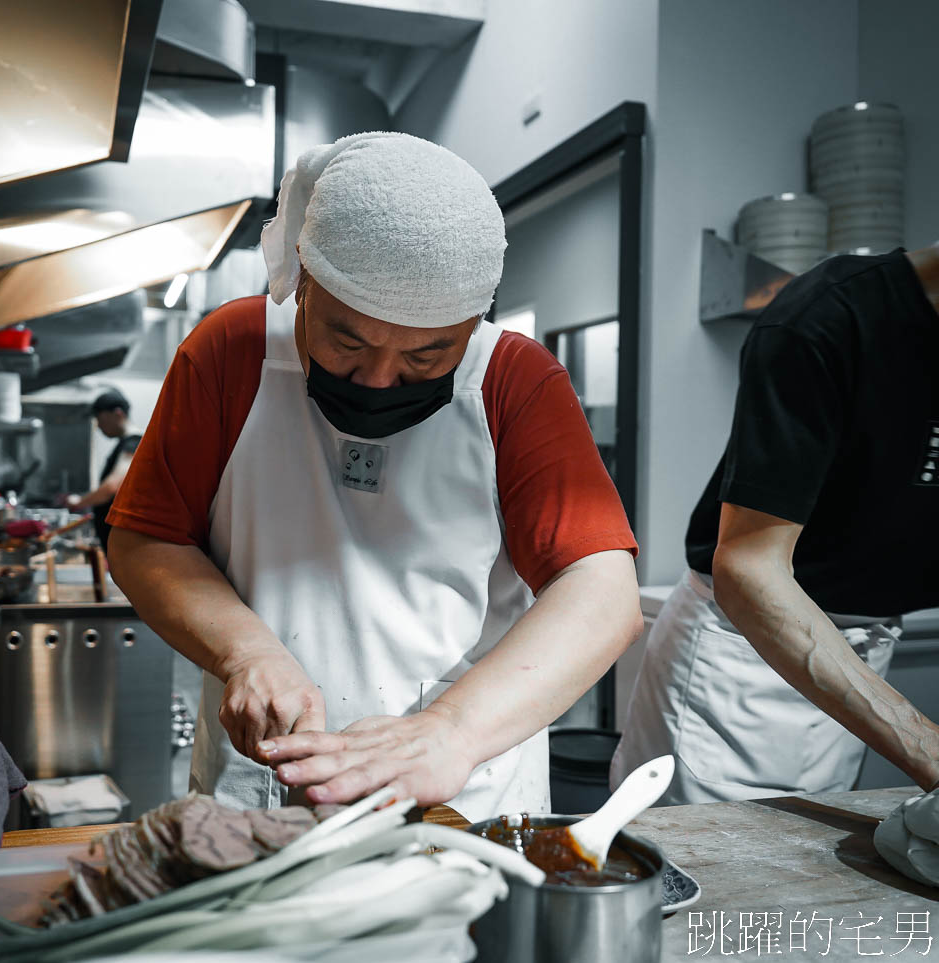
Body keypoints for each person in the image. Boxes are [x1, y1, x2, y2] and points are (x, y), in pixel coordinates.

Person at [106, 132, 642, 819]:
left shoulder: (516, 380)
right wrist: (244, 650)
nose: (381, 379)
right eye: (347, 340)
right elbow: (145, 540)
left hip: (465, 796)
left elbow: (601, 592)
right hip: (264, 786)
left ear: (474, 321)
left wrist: (452, 729)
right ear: (302, 278)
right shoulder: (229, 353)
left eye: (427, 355)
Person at [613, 243, 939, 805]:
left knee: (812, 875)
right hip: (746, 658)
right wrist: (924, 745)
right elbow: (750, 567)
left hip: (862, 653)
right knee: (713, 880)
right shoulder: (832, 315)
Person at [63, 389, 141, 553]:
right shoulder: (127, 445)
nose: (98, 427)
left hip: (125, 544)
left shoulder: (133, 444)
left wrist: (79, 502)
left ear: (117, 414)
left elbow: (112, 486)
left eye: (100, 419)